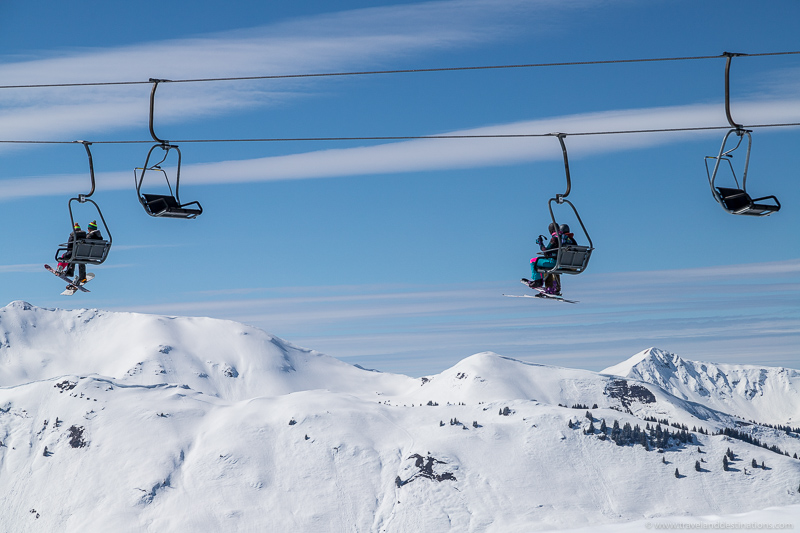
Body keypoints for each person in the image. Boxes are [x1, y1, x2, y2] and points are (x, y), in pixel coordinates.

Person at [522, 222, 562, 294]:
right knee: (547, 265)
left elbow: (546, 252)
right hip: (564, 264)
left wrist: (540, 244)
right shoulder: (567, 238)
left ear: (551, 230)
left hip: (555, 263)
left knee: (533, 261)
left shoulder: (555, 239)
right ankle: (554, 287)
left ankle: (538, 281)